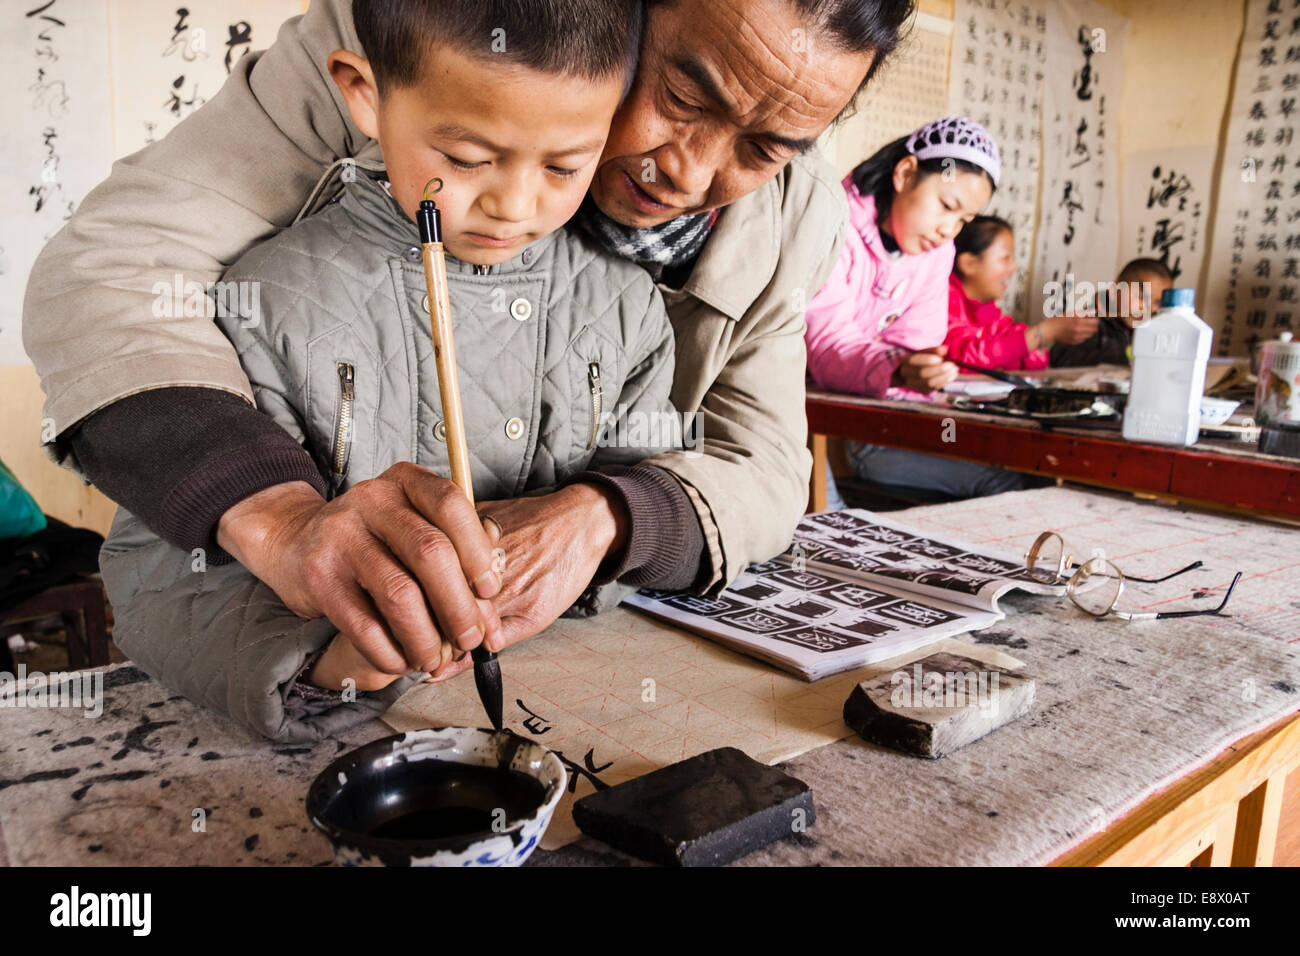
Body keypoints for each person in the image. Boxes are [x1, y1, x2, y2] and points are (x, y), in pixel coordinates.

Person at [24, 1, 912, 703]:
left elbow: (759, 460)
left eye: (766, 146)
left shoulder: (787, 217)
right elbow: (115, 268)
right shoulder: (420, 39)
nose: (687, 171)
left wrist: (609, 515)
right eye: (683, 97)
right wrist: (281, 521)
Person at [97, 0, 689, 739]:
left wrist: (608, 530)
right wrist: (341, 660)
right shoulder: (270, 300)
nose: (512, 205)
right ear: (365, 94)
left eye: (566, 165)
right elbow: (154, 578)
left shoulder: (626, 305)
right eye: (468, 159)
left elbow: (657, 485)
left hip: (594, 703)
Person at [804, 116, 1035, 505]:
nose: (949, 230)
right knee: (824, 521)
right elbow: (827, 343)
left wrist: (919, 367)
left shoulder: (936, 253)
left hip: (874, 422)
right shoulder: (830, 220)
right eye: (947, 206)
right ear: (906, 173)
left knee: (1014, 480)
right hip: (797, 414)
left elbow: (916, 344)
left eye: (964, 220)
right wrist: (897, 367)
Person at [944, 216, 1097, 371]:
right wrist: (1045, 332)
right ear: (969, 264)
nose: (1014, 267)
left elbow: (1037, 359)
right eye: (1005, 259)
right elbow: (962, 358)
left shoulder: (989, 312)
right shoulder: (944, 300)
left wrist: (1037, 337)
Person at [1050, 258, 1173, 367]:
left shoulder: (1154, 330)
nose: (1148, 308)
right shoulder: (1090, 321)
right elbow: (1059, 358)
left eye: (1157, 303)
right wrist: (1122, 355)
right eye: (1141, 297)